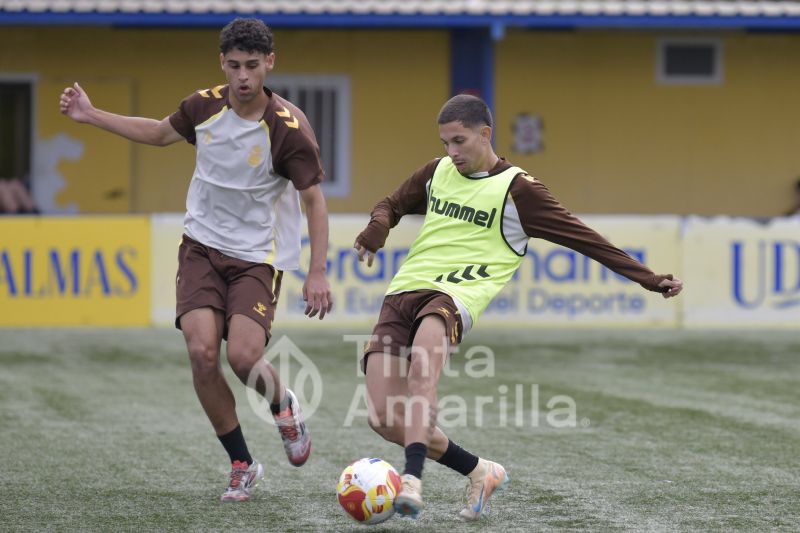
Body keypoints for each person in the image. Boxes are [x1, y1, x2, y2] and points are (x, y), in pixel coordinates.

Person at [353, 94, 683, 520]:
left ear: (484, 134)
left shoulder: (519, 191)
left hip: (453, 297)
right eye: (445, 142)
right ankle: (480, 470)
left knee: (423, 369)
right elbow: (391, 204)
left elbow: (584, 238)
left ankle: (412, 480)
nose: (451, 152)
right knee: (381, 418)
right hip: (402, 294)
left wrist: (649, 279)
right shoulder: (436, 172)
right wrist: (377, 228)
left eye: (459, 141)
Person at [60, 18, 333, 502]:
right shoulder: (203, 106)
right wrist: (91, 114)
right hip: (201, 249)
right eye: (234, 66)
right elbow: (158, 133)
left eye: (253, 66)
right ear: (222, 63)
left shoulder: (288, 129)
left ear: (270, 63)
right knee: (203, 354)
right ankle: (242, 464)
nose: (244, 76)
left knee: (244, 356)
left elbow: (314, 201)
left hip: (257, 257)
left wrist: (317, 271)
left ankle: (284, 405)